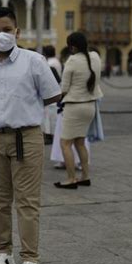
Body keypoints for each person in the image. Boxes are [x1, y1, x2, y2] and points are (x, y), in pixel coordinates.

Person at [0, 7, 61, 264]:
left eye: (7, 29)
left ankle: (30, 259)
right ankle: (2, 252)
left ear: (17, 32)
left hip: (27, 137)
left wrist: (26, 107)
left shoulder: (34, 61)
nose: (1, 35)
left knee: (27, 201)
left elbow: (53, 94)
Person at [54, 32, 103, 189]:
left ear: (72, 47)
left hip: (75, 106)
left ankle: (71, 178)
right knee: (80, 142)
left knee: (65, 143)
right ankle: (85, 176)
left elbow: (64, 88)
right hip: (90, 106)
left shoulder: (72, 60)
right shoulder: (95, 56)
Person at [41, 45, 61, 144]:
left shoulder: (49, 63)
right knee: (53, 117)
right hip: (57, 90)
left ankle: (50, 136)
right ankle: (53, 136)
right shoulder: (57, 61)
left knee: (48, 118)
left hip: (51, 91)